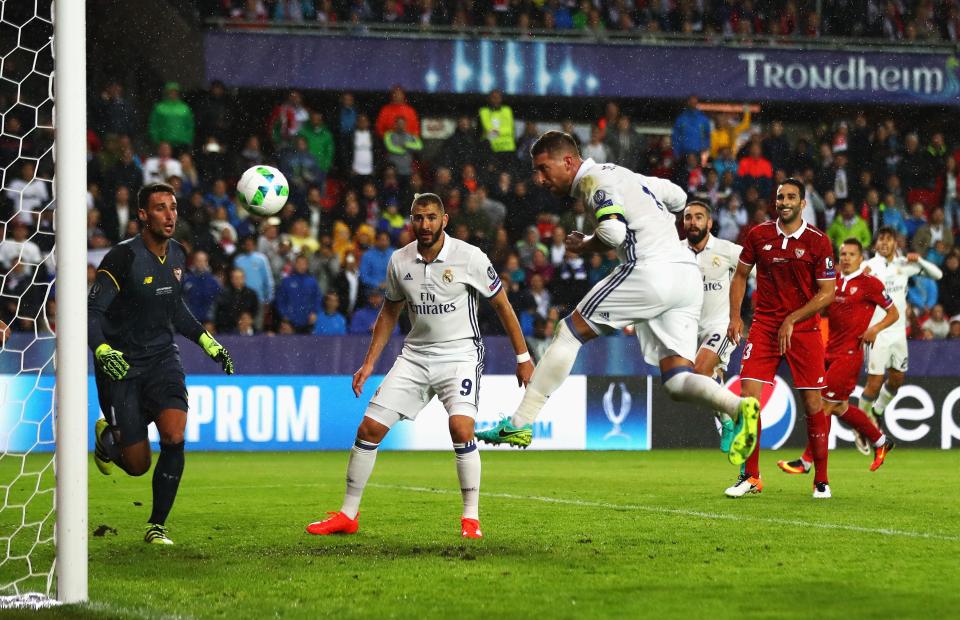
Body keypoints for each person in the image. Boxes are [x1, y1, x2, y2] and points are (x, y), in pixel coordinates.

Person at [475, 132, 759, 465]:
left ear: (568, 161)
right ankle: (739, 408)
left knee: (569, 332)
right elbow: (679, 196)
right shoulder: (628, 176)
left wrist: (586, 244)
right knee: (678, 380)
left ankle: (519, 423)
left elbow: (613, 233)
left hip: (650, 270)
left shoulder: (594, 180)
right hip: (686, 276)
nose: (540, 179)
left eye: (543, 168)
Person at [306, 193, 533, 539]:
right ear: (410, 221)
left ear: (444, 221)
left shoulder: (469, 257)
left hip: (459, 355)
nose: (424, 225)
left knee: (461, 429)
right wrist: (368, 365)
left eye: (430, 218)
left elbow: (502, 305)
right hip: (415, 356)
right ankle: (347, 515)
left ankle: (470, 518)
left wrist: (523, 358)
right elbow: (389, 313)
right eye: (417, 218)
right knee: (368, 430)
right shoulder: (399, 261)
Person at [88, 183, 234, 545]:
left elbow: (176, 309)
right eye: (159, 209)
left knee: (174, 435)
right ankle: (108, 437)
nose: (169, 215)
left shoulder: (180, 255)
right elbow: (92, 312)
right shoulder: (121, 258)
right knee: (138, 465)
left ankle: (157, 525)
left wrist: (206, 341)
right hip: (121, 365)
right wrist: (103, 350)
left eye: (173, 208)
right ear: (142, 215)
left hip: (162, 360)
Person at [727, 179, 837, 499]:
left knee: (813, 403)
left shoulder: (818, 242)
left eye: (791, 197)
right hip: (764, 325)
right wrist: (735, 316)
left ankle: (822, 480)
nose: (784, 201)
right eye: (780, 197)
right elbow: (740, 275)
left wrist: (793, 318)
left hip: (804, 328)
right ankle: (751, 477)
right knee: (749, 399)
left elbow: (827, 293)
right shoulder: (758, 235)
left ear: (803, 203)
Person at [777, 239, 898, 477]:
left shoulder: (870, 284)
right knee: (840, 407)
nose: (845, 258)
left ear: (861, 258)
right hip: (829, 352)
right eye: (842, 254)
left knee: (824, 406)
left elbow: (893, 313)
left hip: (849, 355)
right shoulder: (832, 284)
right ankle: (880, 440)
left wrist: (875, 329)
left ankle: (806, 460)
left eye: (851, 254)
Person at [860, 227, 943, 426]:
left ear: (896, 243)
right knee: (873, 384)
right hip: (877, 332)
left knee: (896, 380)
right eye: (881, 239)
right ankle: (862, 424)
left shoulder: (904, 265)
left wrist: (919, 260)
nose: (885, 243)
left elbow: (938, 275)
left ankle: (877, 411)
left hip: (898, 334)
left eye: (889, 239)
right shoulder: (867, 267)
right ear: (876, 244)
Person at [683, 201, 743, 452]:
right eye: (688, 218)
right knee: (697, 383)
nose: (693, 222)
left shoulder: (727, 250)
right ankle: (727, 417)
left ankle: (732, 414)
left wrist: (739, 315)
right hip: (686, 330)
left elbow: (757, 270)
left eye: (698, 217)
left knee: (699, 372)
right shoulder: (674, 252)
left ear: (709, 223)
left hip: (721, 326)